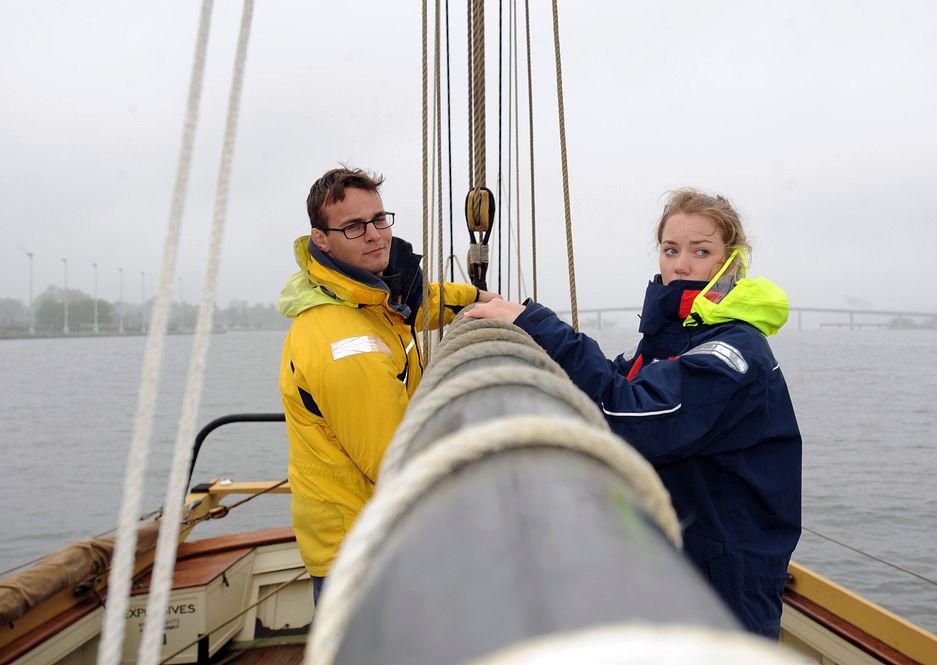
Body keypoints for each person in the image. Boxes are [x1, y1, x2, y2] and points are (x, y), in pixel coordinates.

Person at [467, 188, 801, 638]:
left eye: (700, 252)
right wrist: (523, 334)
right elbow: (613, 382)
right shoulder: (674, 339)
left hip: (724, 584)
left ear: (730, 264)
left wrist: (536, 322)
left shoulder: (731, 353)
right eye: (671, 249)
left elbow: (628, 416)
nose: (680, 264)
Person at [278, 167, 497, 604]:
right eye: (354, 227)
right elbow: (398, 461)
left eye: (380, 219)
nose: (376, 235)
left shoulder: (363, 299)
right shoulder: (345, 344)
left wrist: (478, 301)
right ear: (321, 239)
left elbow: (420, 305)